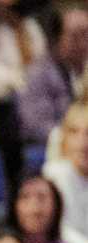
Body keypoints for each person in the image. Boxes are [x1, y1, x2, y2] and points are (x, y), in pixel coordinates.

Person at [22, 0, 88, 149]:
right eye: (76, 36)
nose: (84, 42)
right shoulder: (38, 75)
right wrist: (75, 138)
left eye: (87, 34)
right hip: (52, 156)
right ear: (55, 39)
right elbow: (36, 126)